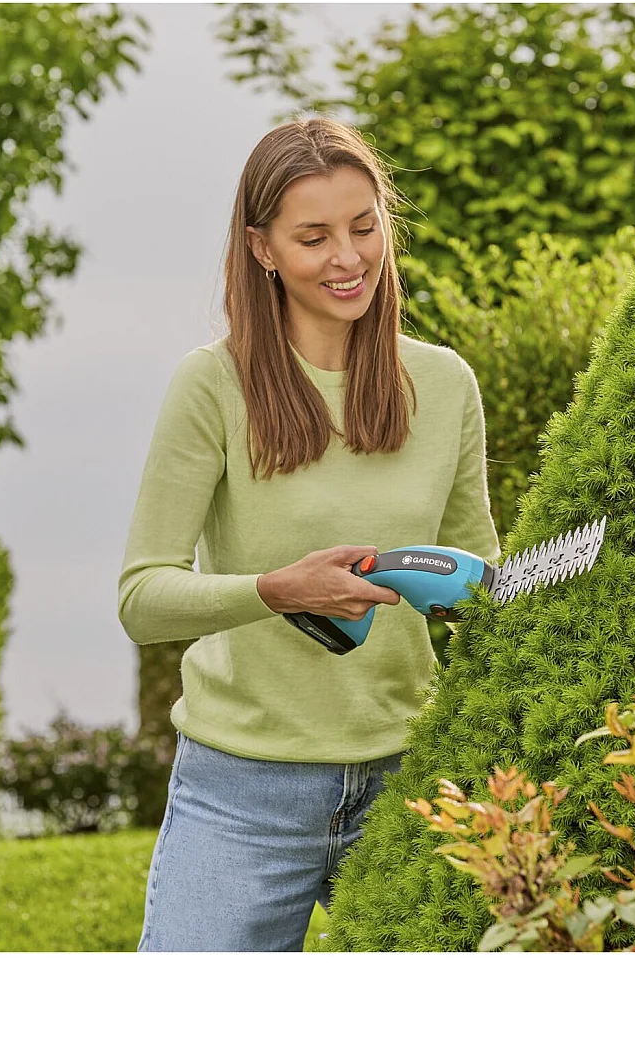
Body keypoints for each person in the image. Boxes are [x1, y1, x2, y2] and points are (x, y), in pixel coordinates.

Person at [118, 116, 500, 951]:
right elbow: (143, 598)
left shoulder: (442, 384)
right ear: (262, 248)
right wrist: (276, 590)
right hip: (242, 789)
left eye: (365, 228)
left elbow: (483, 588)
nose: (348, 258)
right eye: (313, 236)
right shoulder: (212, 387)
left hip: (411, 779)